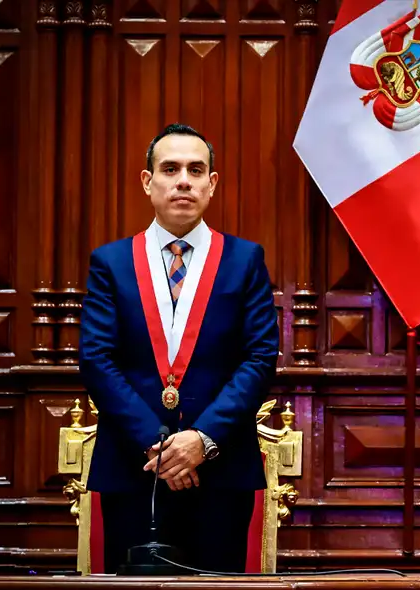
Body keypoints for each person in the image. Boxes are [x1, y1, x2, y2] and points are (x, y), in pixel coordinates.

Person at [79, 123, 279, 574]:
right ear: (148, 182)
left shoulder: (245, 260)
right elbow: (96, 359)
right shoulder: (110, 262)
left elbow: (260, 357)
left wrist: (202, 441)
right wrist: (161, 445)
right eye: (170, 169)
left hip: (220, 468)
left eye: (195, 169)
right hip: (135, 469)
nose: (183, 180)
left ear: (212, 184)